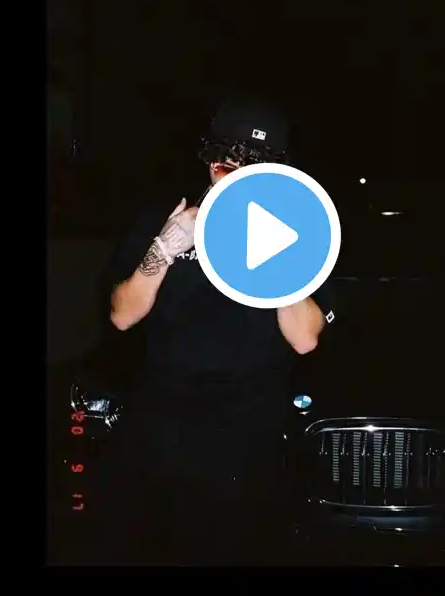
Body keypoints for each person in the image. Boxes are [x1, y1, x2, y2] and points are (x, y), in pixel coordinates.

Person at [90, 99, 337, 565]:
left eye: (253, 163)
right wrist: (165, 248)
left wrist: (274, 254)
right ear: (208, 158)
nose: (235, 171)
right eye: (226, 159)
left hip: (245, 434)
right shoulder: (166, 217)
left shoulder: (299, 229)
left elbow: (305, 338)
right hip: (158, 423)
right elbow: (122, 315)